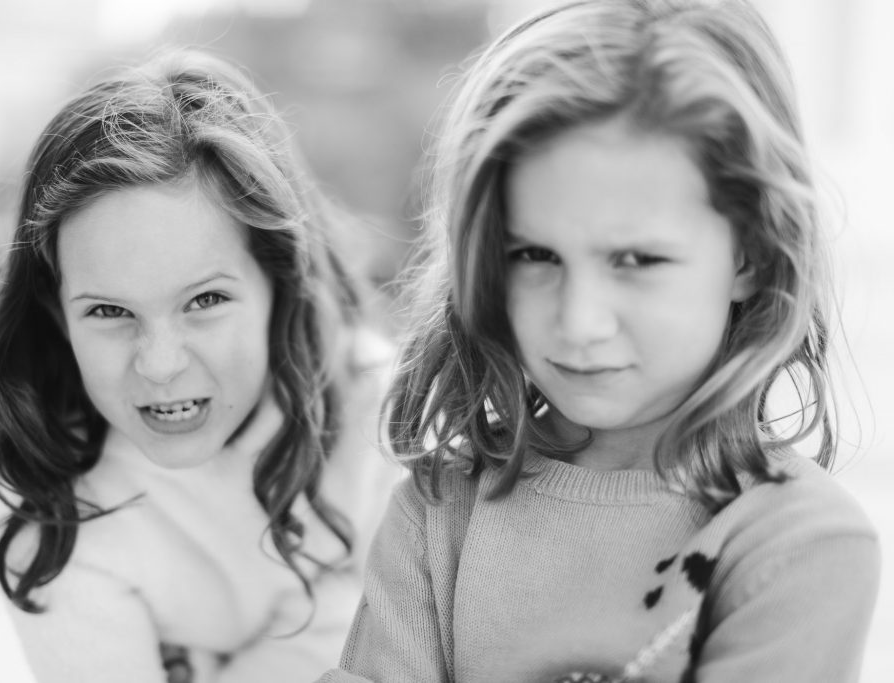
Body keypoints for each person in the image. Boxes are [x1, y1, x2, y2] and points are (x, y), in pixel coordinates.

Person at [321, 1, 881, 681]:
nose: (579, 320)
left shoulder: (800, 544)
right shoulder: (439, 512)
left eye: (637, 260)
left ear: (751, 255)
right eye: (534, 254)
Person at [0, 48, 398, 683]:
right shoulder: (53, 520)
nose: (158, 365)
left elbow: (438, 651)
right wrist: (336, 628)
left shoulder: (376, 413)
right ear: (55, 313)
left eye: (204, 300)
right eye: (108, 311)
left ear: (279, 284)